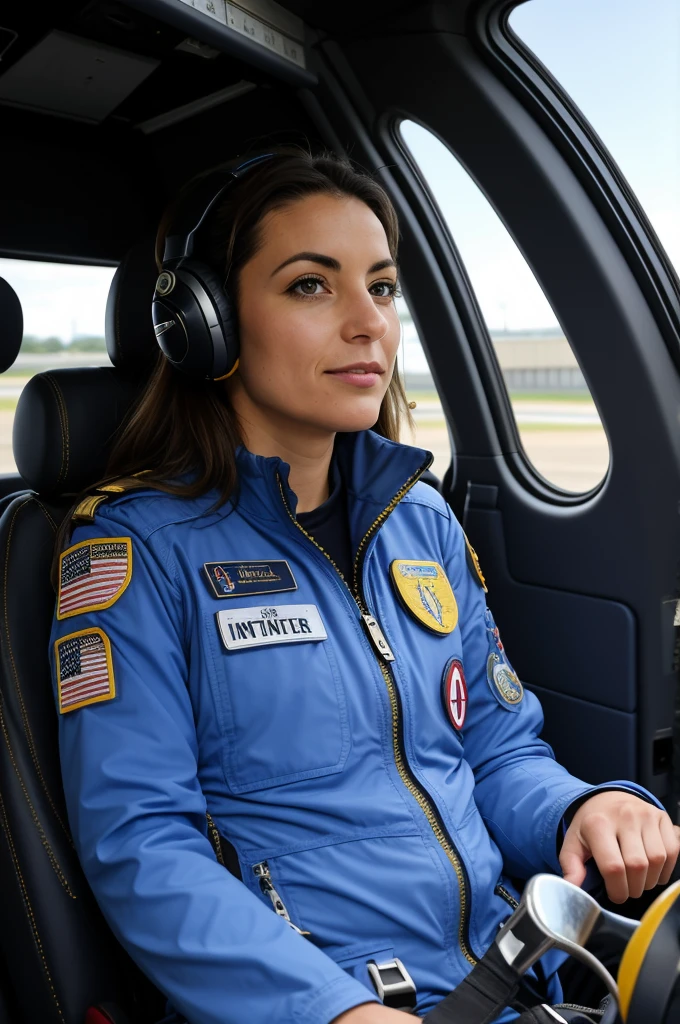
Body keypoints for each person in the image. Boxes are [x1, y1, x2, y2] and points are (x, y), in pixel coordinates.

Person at [50, 147, 679, 1024]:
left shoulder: (421, 525)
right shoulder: (138, 552)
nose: (369, 324)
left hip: (511, 975)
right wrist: (331, 1011)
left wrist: (583, 807)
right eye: (312, 286)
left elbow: (497, 750)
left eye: (381, 288)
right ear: (207, 323)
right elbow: (143, 848)